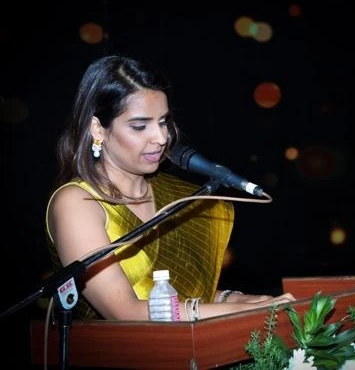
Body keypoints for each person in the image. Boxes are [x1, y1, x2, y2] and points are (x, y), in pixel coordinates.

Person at [45, 54, 295, 321]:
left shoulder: (178, 196)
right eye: (140, 126)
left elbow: (179, 297)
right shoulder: (77, 202)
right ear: (98, 129)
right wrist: (240, 310)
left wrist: (234, 299)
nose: (161, 137)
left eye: (163, 121)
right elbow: (124, 311)